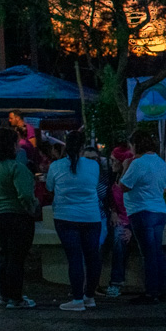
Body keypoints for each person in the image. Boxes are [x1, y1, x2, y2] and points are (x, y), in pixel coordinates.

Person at [120, 129, 166, 304]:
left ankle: (152, 292)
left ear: (136, 145)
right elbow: (163, 188)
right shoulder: (160, 162)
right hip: (159, 211)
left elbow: (124, 186)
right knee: (155, 251)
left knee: (148, 254)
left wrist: (124, 167)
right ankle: (162, 287)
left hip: (142, 211)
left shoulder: (138, 164)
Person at [0, 126, 38, 309]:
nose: (20, 147)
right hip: (17, 215)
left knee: (7, 256)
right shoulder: (16, 167)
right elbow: (26, 195)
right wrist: (32, 210)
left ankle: (5, 295)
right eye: (17, 143)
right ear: (12, 145)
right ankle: (16, 298)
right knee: (17, 258)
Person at [47, 130, 103, 311]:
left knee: (75, 258)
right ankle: (90, 296)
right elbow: (94, 185)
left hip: (65, 216)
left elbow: (49, 187)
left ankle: (77, 299)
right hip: (91, 216)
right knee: (92, 257)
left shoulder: (56, 166)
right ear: (82, 146)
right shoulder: (94, 165)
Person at [104, 145, 134, 298]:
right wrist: (113, 211)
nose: (111, 163)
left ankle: (116, 282)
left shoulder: (131, 180)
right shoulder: (112, 177)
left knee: (119, 238)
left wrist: (132, 229)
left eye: (114, 160)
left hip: (133, 220)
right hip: (119, 219)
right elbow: (109, 199)